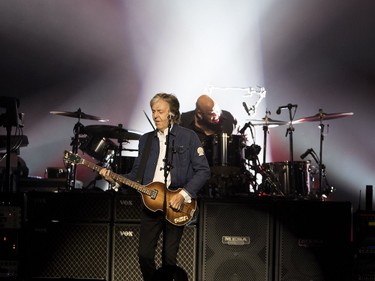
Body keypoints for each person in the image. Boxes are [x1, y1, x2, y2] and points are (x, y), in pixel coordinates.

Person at [100, 93, 211, 281]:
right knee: (144, 255)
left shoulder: (188, 137)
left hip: (176, 205)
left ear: (172, 114)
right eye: (153, 111)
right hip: (150, 204)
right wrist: (115, 178)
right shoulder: (146, 140)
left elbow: (203, 171)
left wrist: (183, 194)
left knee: (169, 259)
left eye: (160, 111)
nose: (156, 116)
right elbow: (136, 175)